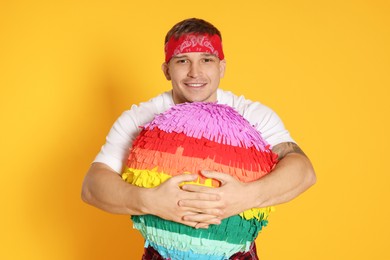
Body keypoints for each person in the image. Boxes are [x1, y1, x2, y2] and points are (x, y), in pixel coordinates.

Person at [81, 18, 316, 259]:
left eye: (207, 60)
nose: (195, 72)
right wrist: (148, 200)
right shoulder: (140, 118)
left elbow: (304, 171)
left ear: (221, 67)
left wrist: (246, 196)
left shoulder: (252, 116)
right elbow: (92, 187)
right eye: (182, 61)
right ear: (166, 70)